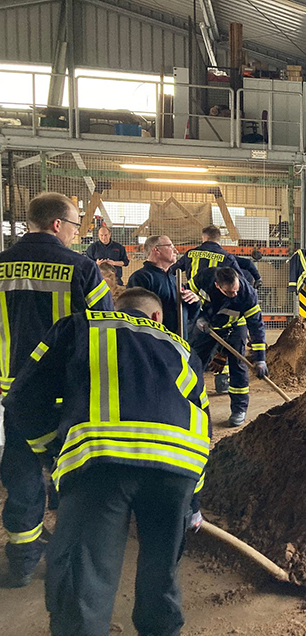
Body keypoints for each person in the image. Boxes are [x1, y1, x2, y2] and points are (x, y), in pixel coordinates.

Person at [2, 288, 209, 635]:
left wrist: (52, 449)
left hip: (99, 464)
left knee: (85, 577)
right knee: (162, 573)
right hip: (178, 466)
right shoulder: (182, 347)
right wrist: (194, 503)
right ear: (157, 317)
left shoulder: (77, 327)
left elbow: (22, 398)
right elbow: (201, 423)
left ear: (115, 308)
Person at [0, 192, 113, 588]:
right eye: (74, 224)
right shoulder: (80, 267)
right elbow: (106, 327)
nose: (76, 231)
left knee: (22, 468)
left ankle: (23, 557)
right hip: (68, 391)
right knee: (75, 469)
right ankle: (75, 552)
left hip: (13, 391)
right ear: (56, 225)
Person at [188, 267, 267, 427]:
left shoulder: (247, 295)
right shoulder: (204, 278)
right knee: (194, 363)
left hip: (236, 325)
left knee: (237, 365)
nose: (234, 295)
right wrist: (198, 317)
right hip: (207, 325)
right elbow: (187, 297)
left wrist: (260, 360)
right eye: (230, 292)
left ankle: (239, 409)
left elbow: (257, 328)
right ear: (217, 285)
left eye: (236, 290)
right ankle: (191, 405)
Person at [127, 235, 200, 338]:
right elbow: (136, 316)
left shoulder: (174, 279)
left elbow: (190, 316)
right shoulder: (141, 278)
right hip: (156, 342)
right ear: (156, 250)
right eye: (171, 246)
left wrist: (195, 301)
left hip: (178, 342)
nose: (176, 251)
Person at [170, 225, 243, 279]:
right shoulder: (226, 257)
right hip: (216, 297)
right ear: (218, 238)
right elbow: (239, 279)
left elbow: (172, 271)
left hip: (192, 295)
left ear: (206, 238)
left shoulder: (190, 254)